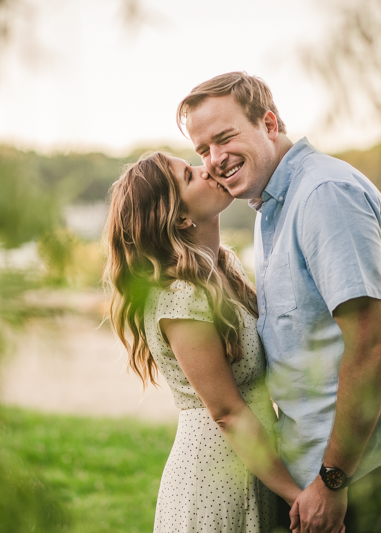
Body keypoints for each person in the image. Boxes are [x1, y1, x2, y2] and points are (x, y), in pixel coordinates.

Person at [177, 72, 381, 533]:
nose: (214, 160)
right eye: (202, 150)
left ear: (269, 123)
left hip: (360, 467)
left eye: (224, 138)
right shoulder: (271, 204)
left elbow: (374, 344)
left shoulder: (322, 196)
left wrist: (332, 479)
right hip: (327, 466)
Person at [103, 151, 303, 532]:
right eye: (190, 175)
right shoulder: (181, 295)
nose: (208, 168)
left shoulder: (224, 269)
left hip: (254, 467)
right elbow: (227, 411)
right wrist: (297, 495)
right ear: (180, 217)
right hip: (215, 480)